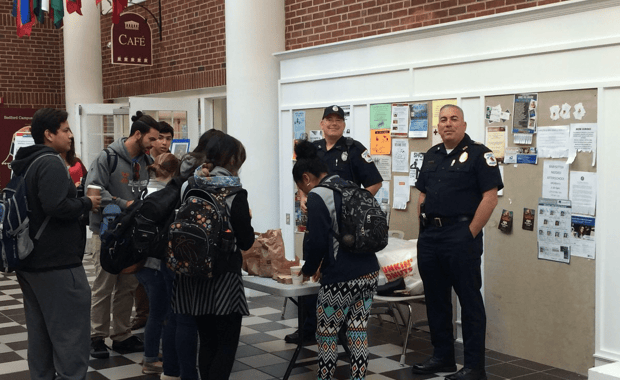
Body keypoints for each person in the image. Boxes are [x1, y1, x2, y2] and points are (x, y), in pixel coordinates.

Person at [413, 105, 503, 380]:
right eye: (443, 120)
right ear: (437, 127)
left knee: (469, 301)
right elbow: (422, 195)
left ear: (463, 124)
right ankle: (443, 358)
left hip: (461, 235)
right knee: (436, 300)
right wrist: (424, 232)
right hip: (431, 237)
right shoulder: (432, 154)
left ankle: (474, 367)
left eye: (454, 119)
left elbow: (490, 197)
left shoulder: (479, 154)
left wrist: (469, 234)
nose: (448, 124)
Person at [11, 108, 101, 380]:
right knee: (70, 334)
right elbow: (56, 206)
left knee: (40, 333)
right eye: (65, 129)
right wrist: (87, 202)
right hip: (57, 263)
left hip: (31, 261)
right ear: (49, 135)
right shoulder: (50, 162)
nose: (70, 135)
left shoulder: (26, 162)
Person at [286, 105, 383, 344]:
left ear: (344, 125)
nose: (333, 123)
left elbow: (374, 183)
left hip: (344, 230)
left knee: (337, 272)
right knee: (312, 262)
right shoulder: (313, 150)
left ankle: (338, 331)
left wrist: (354, 211)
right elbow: (301, 177)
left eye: (338, 120)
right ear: (321, 124)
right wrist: (303, 195)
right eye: (328, 119)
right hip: (319, 220)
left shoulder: (354, 149)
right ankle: (308, 328)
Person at [293, 139, 380, 380]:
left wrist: (308, 269)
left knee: (327, 334)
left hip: (340, 277)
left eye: (301, 185)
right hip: (369, 271)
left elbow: (318, 241)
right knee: (358, 330)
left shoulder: (319, 195)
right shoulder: (350, 186)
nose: (303, 191)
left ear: (307, 178)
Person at [171, 132, 255, 380]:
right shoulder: (235, 192)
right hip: (223, 276)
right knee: (227, 343)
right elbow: (246, 240)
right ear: (231, 160)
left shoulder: (189, 185)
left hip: (191, 271)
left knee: (206, 341)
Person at [86, 111, 160, 359]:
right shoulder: (107, 157)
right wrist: (124, 204)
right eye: (151, 138)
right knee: (103, 286)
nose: (154, 144)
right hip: (107, 232)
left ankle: (121, 335)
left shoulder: (145, 162)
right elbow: (94, 192)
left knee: (127, 286)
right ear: (137, 134)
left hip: (132, 236)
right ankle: (96, 337)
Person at [131, 153, 181, 375]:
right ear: (173, 173)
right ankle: (150, 359)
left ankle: (155, 352)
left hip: (140, 262)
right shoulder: (165, 196)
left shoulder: (145, 190)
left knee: (157, 311)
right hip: (154, 264)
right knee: (160, 313)